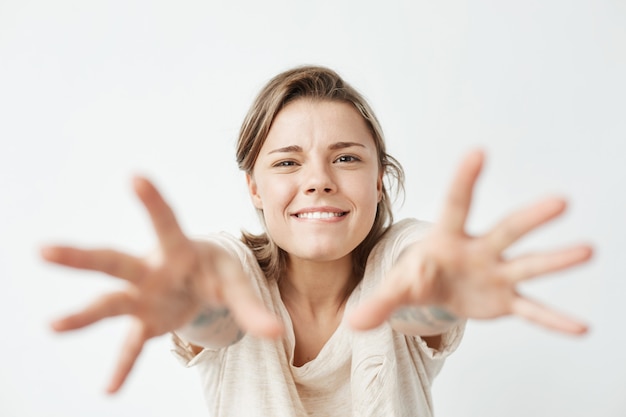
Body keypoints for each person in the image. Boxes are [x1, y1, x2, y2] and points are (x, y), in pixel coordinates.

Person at [42, 66, 592, 416]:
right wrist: (192, 302)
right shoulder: (230, 275)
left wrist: (440, 285)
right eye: (287, 162)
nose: (319, 180)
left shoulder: (398, 268)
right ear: (254, 187)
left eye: (347, 157)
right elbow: (215, 305)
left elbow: (419, 285)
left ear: (379, 181)